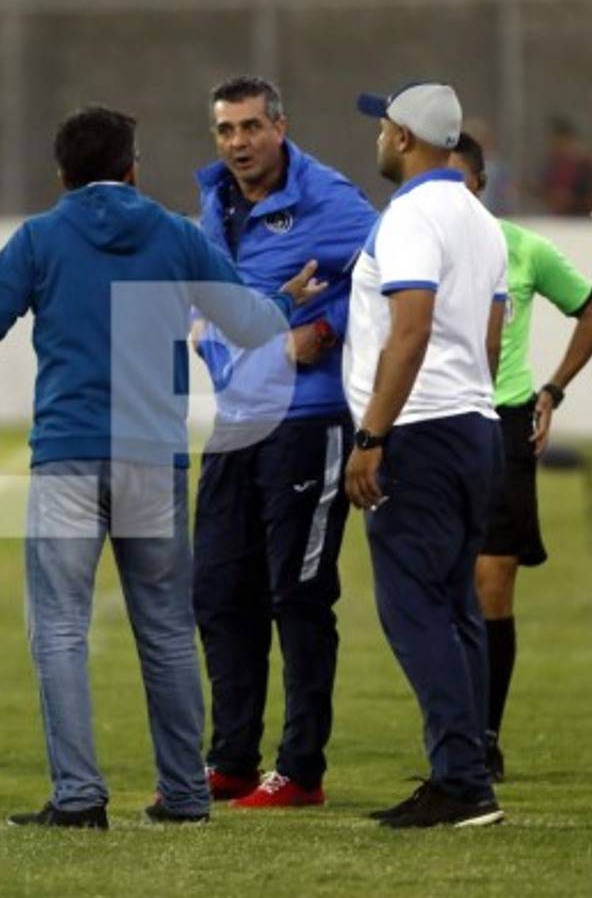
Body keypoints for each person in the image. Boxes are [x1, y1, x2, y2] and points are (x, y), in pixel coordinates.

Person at [0, 105, 327, 829]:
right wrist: (283, 297)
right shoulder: (176, 235)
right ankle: (182, 795)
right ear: (132, 167)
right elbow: (249, 327)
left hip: (67, 457)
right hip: (152, 456)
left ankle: (79, 797)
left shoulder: (40, 238)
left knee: (57, 630)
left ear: (61, 174)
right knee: (168, 632)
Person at [192, 76, 377, 808]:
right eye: (224, 130)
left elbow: (397, 287)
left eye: (248, 128)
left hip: (307, 419)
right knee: (217, 592)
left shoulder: (332, 201)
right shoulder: (213, 200)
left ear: (279, 126)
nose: (236, 143)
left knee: (296, 596)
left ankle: (300, 770)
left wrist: (324, 331)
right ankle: (231, 758)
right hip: (236, 421)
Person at [345, 81, 508, 828]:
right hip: (473, 424)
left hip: (421, 430)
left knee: (413, 611)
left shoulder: (411, 214)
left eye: (383, 127)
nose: (377, 138)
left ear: (405, 137)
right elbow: (489, 339)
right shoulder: (480, 219)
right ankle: (467, 770)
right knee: (455, 611)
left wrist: (374, 434)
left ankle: (460, 781)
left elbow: (408, 330)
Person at [450, 133, 592, 781]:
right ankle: (451, 735)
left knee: (491, 583)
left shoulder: (521, 249)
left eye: (460, 182)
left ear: (480, 186)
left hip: (502, 423)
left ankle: (483, 738)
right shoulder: (411, 252)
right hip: (435, 424)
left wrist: (553, 389)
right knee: (442, 590)